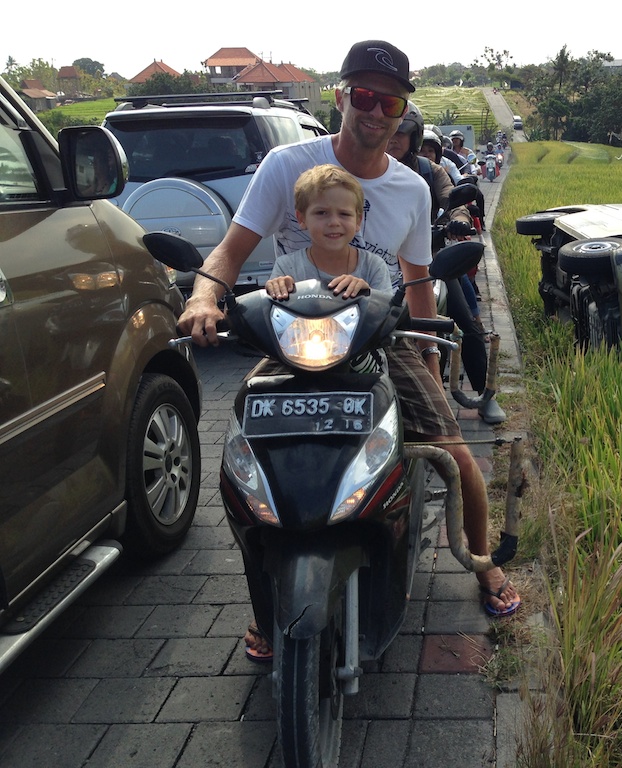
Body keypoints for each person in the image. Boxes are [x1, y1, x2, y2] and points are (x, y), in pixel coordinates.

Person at [176, 39, 520, 662]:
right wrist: (205, 298)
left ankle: (484, 563)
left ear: (400, 111)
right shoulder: (287, 166)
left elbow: (416, 286)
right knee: (239, 460)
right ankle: (263, 595)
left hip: (379, 348)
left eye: (387, 101)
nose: (374, 110)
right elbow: (228, 252)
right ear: (341, 98)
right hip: (292, 347)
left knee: (458, 458)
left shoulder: (413, 188)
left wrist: (433, 360)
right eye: (363, 95)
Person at [385, 102, 506, 424]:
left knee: (465, 325)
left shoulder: (428, 171)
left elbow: (453, 200)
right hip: (375, 265)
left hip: (427, 261)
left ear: (414, 136)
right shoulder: (362, 171)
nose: (393, 138)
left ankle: (483, 395)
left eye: (403, 132)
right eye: (389, 131)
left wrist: (458, 220)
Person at [265, 164, 391, 302]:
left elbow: (388, 318)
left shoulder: (373, 266)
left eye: (344, 214)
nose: (334, 222)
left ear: (358, 221)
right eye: (321, 213)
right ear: (301, 219)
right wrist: (276, 288)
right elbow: (274, 312)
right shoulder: (287, 267)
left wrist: (369, 295)